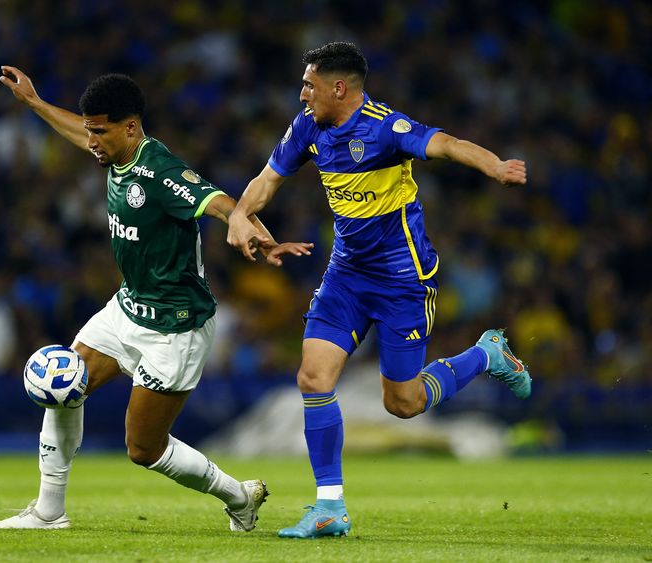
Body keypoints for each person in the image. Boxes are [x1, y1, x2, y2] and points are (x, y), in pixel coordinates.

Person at [227, 42, 532, 539]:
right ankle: (330, 507)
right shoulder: (308, 126)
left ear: (338, 87)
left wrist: (495, 166)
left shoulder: (385, 127)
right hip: (346, 276)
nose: (302, 93)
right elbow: (267, 179)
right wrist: (240, 214)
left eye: (310, 85)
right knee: (313, 377)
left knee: (404, 404)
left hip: (402, 282)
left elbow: (448, 144)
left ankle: (485, 355)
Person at [0, 67, 313, 531]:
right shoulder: (112, 151)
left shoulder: (158, 171)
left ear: (131, 127)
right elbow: (82, 136)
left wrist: (245, 223)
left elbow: (215, 201)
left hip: (175, 326)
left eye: (100, 131)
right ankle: (48, 511)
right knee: (64, 386)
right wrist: (35, 102)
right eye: (89, 130)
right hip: (127, 306)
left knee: (144, 448)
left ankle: (238, 496)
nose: (91, 140)